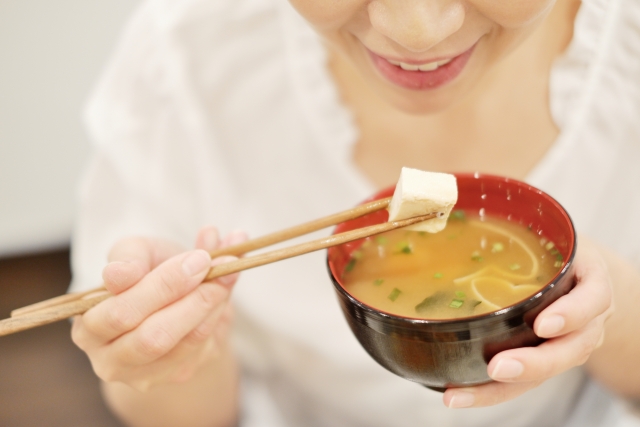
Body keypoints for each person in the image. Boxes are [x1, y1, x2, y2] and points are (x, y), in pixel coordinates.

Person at [69, 0, 640, 426]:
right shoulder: (187, 64)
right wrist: (169, 354)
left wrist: (605, 306)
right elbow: (177, 413)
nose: (416, 32)